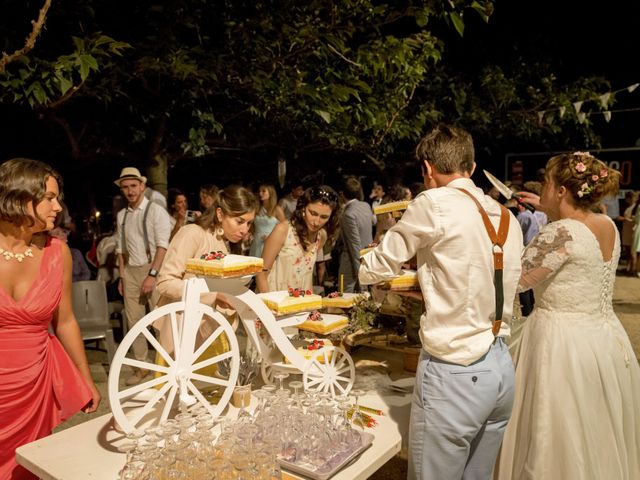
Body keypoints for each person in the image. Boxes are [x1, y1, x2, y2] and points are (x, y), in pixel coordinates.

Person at [359, 124, 524, 480]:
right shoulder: (506, 215)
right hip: (500, 368)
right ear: (472, 166)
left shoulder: (432, 202)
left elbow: (379, 266)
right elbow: (476, 281)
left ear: (427, 168)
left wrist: (366, 262)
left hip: (455, 371)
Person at [496, 152, 640, 480]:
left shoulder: (560, 232)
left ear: (561, 190)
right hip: (603, 340)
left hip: (560, 345)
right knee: (594, 425)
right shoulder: (605, 224)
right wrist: (546, 211)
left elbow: (515, 278)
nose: (543, 189)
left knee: (553, 430)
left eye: (547, 183)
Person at [0, 158, 100, 480]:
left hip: (33, 387)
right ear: (18, 197)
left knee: (29, 468)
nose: (58, 207)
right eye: (49, 198)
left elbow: (66, 320)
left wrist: (85, 378)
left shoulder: (59, 253)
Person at [155, 185, 258, 358]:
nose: (245, 230)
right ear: (219, 214)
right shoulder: (193, 234)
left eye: (249, 223)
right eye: (239, 221)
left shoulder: (225, 242)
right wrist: (214, 294)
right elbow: (166, 283)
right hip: (183, 334)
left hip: (212, 333)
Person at [114, 167, 172, 386]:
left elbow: (162, 246)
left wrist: (152, 275)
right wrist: (122, 277)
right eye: (125, 187)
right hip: (131, 270)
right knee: (134, 322)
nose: (129, 191)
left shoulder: (156, 211)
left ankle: (165, 364)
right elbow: (120, 248)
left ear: (142, 186)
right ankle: (141, 366)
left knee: (160, 319)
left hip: (153, 268)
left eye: (133, 186)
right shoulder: (122, 215)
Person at [257, 185, 340, 293]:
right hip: (274, 300)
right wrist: (267, 306)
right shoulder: (283, 230)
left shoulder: (321, 236)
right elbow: (261, 273)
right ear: (303, 208)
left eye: (324, 217)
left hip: (300, 303)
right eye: (313, 213)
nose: (317, 221)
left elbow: (306, 273)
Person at [338, 176, 373, 293]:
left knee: (346, 294)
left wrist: (360, 273)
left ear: (342, 194)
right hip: (368, 256)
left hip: (352, 260)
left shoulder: (348, 214)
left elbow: (354, 244)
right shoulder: (366, 206)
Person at [249, 183, 285, 258]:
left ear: (271, 192)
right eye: (259, 191)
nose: (260, 193)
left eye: (263, 191)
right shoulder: (257, 208)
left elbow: (285, 228)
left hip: (271, 242)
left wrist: (272, 237)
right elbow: (252, 225)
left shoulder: (277, 209)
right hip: (256, 242)